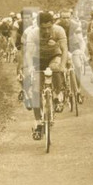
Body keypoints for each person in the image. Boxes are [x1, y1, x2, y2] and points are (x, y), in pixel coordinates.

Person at [21, 11, 70, 139]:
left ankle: (58, 95)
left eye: (49, 27)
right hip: (38, 58)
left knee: (55, 68)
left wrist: (62, 66)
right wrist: (30, 67)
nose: (47, 30)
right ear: (39, 26)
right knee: (36, 91)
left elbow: (64, 49)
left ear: (53, 24)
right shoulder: (33, 34)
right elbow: (28, 54)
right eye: (43, 28)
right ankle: (38, 123)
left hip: (54, 56)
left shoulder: (59, 30)